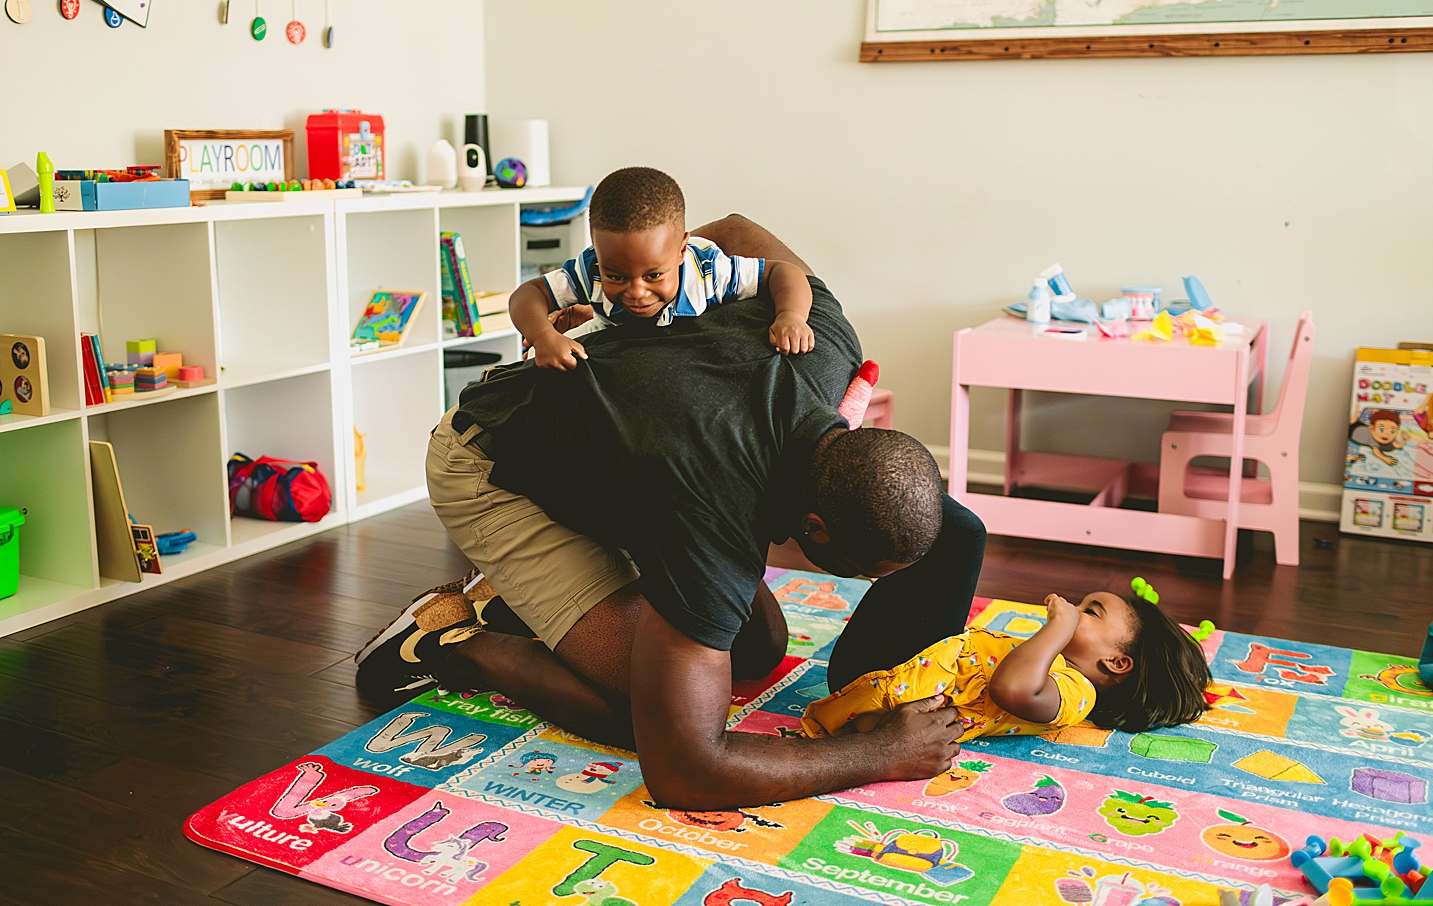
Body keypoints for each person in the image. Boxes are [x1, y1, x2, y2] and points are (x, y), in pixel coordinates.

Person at [356, 213, 988, 810]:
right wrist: (877, 753)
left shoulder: (821, 342)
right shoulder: (712, 512)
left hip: (618, 461)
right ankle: (451, 644)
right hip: (493, 466)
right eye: (861, 572)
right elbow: (684, 770)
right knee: (646, 715)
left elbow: (735, 230)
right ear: (815, 530)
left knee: (759, 649)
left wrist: (665, 282)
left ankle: (522, 599)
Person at [801, 584, 1212, 741]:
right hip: (885, 673)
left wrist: (1058, 627)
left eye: (1091, 612)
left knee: (962, 534)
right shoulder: (1052, 663)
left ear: (1117, 664)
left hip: (886, 683)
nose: (1074, 607)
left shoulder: (1076, 695)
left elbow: (1012, 689)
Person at [509, 167, 816, 370]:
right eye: (616, 276)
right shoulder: (590, 268)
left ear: (682, 250)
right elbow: (529, 292)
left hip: (689, 348)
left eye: (653, 275)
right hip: (612, 335)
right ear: (596, 250)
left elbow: (784, 273)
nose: (636, 291)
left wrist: (791, 316)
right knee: (536, 360)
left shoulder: (710, 272)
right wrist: (542, 335)